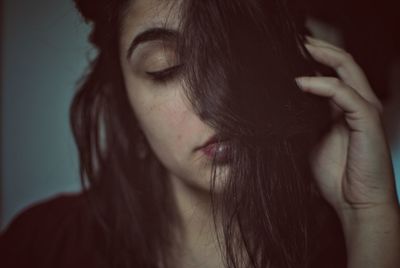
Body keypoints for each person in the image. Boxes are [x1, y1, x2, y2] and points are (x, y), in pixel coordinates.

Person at [1, 0, 399, 267]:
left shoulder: (365, 241)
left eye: (240, 55)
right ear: (125, 100)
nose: (216, 101)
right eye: (165, 67)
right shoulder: (42, 245)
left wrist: (367, 217)